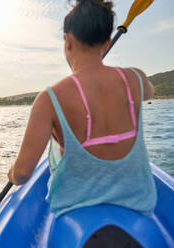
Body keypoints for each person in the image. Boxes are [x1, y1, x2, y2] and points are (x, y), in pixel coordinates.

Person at [8, 0, 157, 217]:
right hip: (139, 207)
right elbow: (149, 93)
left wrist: (11, 174)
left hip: (75, 213)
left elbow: (22, 173)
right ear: (106, 43)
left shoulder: (49, 99)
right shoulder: (137, 78)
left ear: (67, 41)